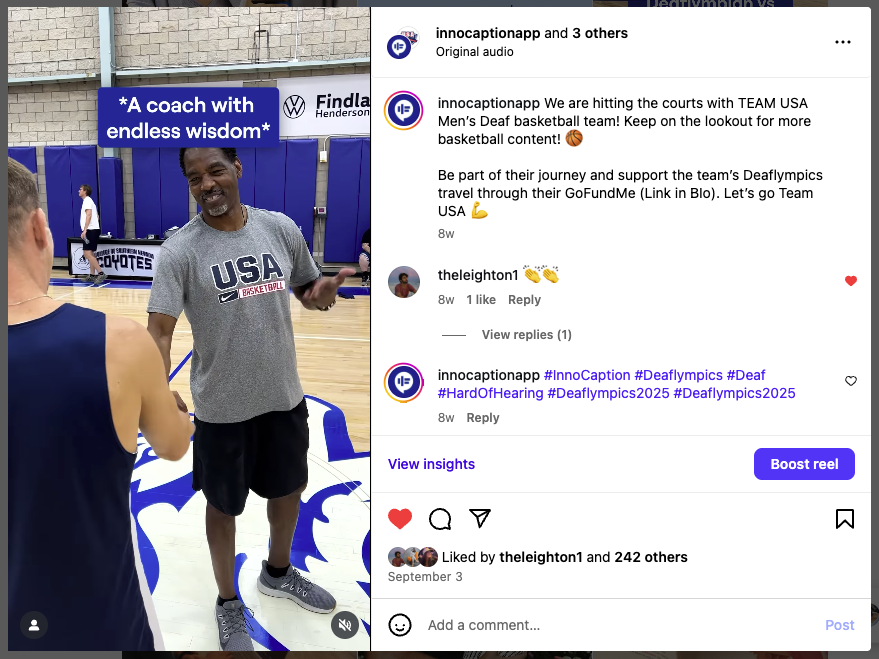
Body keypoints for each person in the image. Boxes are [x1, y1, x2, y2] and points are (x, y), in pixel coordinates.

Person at [147, 147, 353, 652]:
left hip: (283, 398)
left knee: (288, 494)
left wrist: (322, 292)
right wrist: (156, 386)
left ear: (237, 170)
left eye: (216, 171)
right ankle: (226, 603)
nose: (207, 184)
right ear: (190, 186)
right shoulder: (180, 252)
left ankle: (278, 573)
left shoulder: (279, 228)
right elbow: (158, 329)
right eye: (195, 178)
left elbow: (308, 291)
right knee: (224, 507)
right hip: (221, 410)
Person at [8, 157, 193, 651]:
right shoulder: (119, 342)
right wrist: (178, 415)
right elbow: (174, 446)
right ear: (40, 228)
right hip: (97, 620)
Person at [79, 184, 106, 284]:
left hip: (90, 230)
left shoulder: (87, 201)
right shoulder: (90, 202)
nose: (79, 191)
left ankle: (100, 273)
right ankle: (92, 275)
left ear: (85, 191)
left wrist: (85, 230)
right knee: (90, 253)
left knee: (86, 253)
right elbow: (97, 216)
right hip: (93, 229)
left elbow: (89, 215)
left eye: (80, 189)